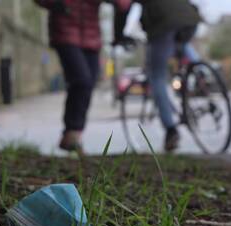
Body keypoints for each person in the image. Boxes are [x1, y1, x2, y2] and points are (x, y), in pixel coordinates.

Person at [34, 0, 131, 153]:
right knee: (81, 80)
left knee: (87, 83)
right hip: (65, 32)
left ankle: (71, 134)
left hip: (91, 37)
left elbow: (123, 4)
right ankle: (73, 132)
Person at [114, 0, 201, 151]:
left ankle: (170, 130)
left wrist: (118, 36)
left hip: (162, 23)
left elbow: (123, 6)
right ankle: (200, 72)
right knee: (179, 43)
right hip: (189, 17)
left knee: (156, 77)